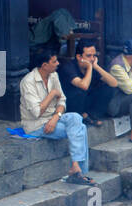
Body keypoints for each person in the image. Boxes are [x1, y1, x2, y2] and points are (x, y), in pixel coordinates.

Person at [19, 47, 93, 185]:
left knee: (76, 118)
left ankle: (76, 169)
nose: (58, 63)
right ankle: (77, 170)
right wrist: (52, 94)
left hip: (53, 118)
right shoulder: (28, 82)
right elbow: (37, 112)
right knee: (80, 128)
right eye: (54, 61)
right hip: (36, 124)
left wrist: (55, 117)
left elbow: (62, 100)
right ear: (44, 65)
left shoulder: (54, 75)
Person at [59, 39, 118, 126]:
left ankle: (92, 115)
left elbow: (114, 83)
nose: (92, 59)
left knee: (108, 89)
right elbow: (84, 86)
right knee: (79, 92)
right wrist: (90, 67)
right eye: (88, 56)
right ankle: (82, 116)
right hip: (70, 104)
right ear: (79, 57)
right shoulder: (69, 67)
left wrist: (96, 67)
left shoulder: (93, 65)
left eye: (94, 56)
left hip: (85, 101)